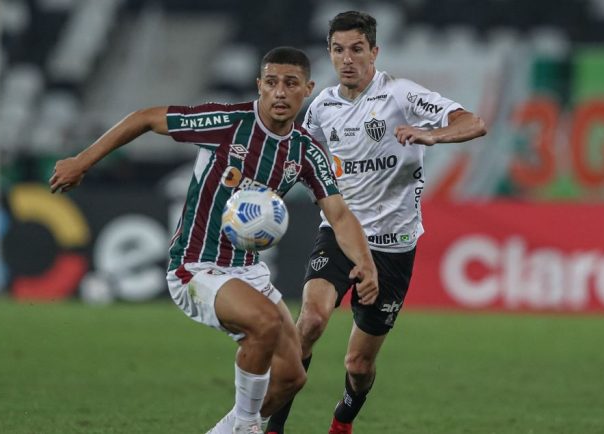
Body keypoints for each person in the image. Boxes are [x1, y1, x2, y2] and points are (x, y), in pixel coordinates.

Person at [48, 47, 379, 434]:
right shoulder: (229, 123)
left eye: (290, 84)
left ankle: (232, 429)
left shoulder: (305, 151)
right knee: (265, 323)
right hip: (196, 265)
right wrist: (82, 161)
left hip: (247, 270)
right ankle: (245, 426)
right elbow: (147, 118)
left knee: (291, 378)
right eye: (271, 82)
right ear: (259, 85)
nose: (279, 92)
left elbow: (339, 213)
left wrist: (366, 262)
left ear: (308, 89)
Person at [265, 12, 487, 434]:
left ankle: (342, 422)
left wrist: (431, 135)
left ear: (374, 52)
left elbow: (473, 122)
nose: (346, 59)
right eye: (337, 50)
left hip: (393, 247)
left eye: (356, 49)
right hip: (341, 233)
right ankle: (273, 427)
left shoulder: (401, 95)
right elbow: (298, 161)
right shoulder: (322, 109)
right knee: (310, 321)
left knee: (359, 364)